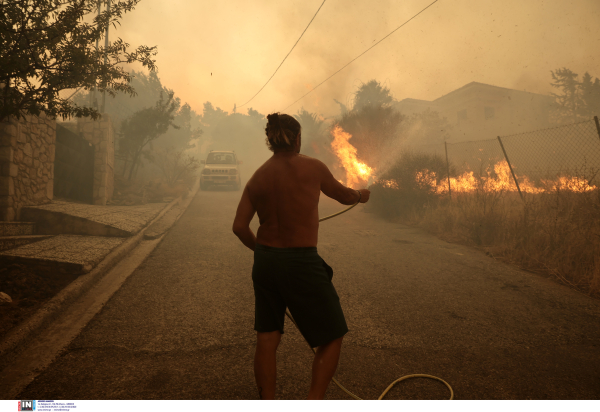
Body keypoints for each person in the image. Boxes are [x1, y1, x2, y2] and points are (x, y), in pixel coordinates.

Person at [232, 112, 370, 400]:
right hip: (301, 262)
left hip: (266, 261)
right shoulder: (313, 167)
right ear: (297, 139)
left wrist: (263, 252)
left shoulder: (257, 177)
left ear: (270, 141)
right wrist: (360, 194)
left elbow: (239, 227)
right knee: (332, 335)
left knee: (267, 337)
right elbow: (344, 195)